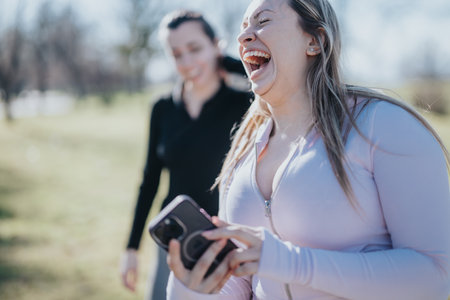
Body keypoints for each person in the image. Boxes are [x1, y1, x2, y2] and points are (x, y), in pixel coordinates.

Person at [166, 0, 450, 299]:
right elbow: (240, 284)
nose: (244, 36)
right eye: (243, 27)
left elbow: (436, 275)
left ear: (314, 41)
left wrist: (289, 263)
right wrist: (190, 284)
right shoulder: (242, 151)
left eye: (262, 21)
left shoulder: (384, 125)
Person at [120, 10, 251, 300]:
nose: (187, 62)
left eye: (195, 49)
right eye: (177, 54)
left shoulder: (245, 104)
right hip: (173, 237)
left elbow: (271, 80)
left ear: (217, 45)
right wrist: (131, 248)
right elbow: (149, 180)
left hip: (224, 241)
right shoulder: (162, 108)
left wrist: (226, 62)